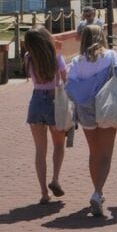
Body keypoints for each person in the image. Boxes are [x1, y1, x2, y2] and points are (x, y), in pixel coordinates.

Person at [68, 25, 117, 217]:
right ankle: (97, 192)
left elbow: (70, 86)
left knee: (94, 152)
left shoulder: (77, 62)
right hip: (106, 106)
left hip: (85, 110)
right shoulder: (111, 55)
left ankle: (97, 192)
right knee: (106, 154)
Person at [23, 27, 68, 205]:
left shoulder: (28, 58)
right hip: (53, 101)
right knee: (58, 144)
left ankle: (43, 192)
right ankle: (55, 179)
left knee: (40, 150)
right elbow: (65, 79)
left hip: (36, 102)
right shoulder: (56, 57)